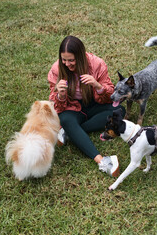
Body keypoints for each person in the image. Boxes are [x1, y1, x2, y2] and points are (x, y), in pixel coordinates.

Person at [48, 35, 125, 177]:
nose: (67, 64)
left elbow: (109, 96)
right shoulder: (57, 69)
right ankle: (103, 161)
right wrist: (61, 95)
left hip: (94, 104)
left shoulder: (97, 64)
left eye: (71, 60)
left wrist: (97, 85)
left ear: (81, 56)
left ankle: (71, 132)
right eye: (63, 59)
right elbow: (57, 106)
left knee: (119, 110)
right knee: (65, 119)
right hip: (72, 108)